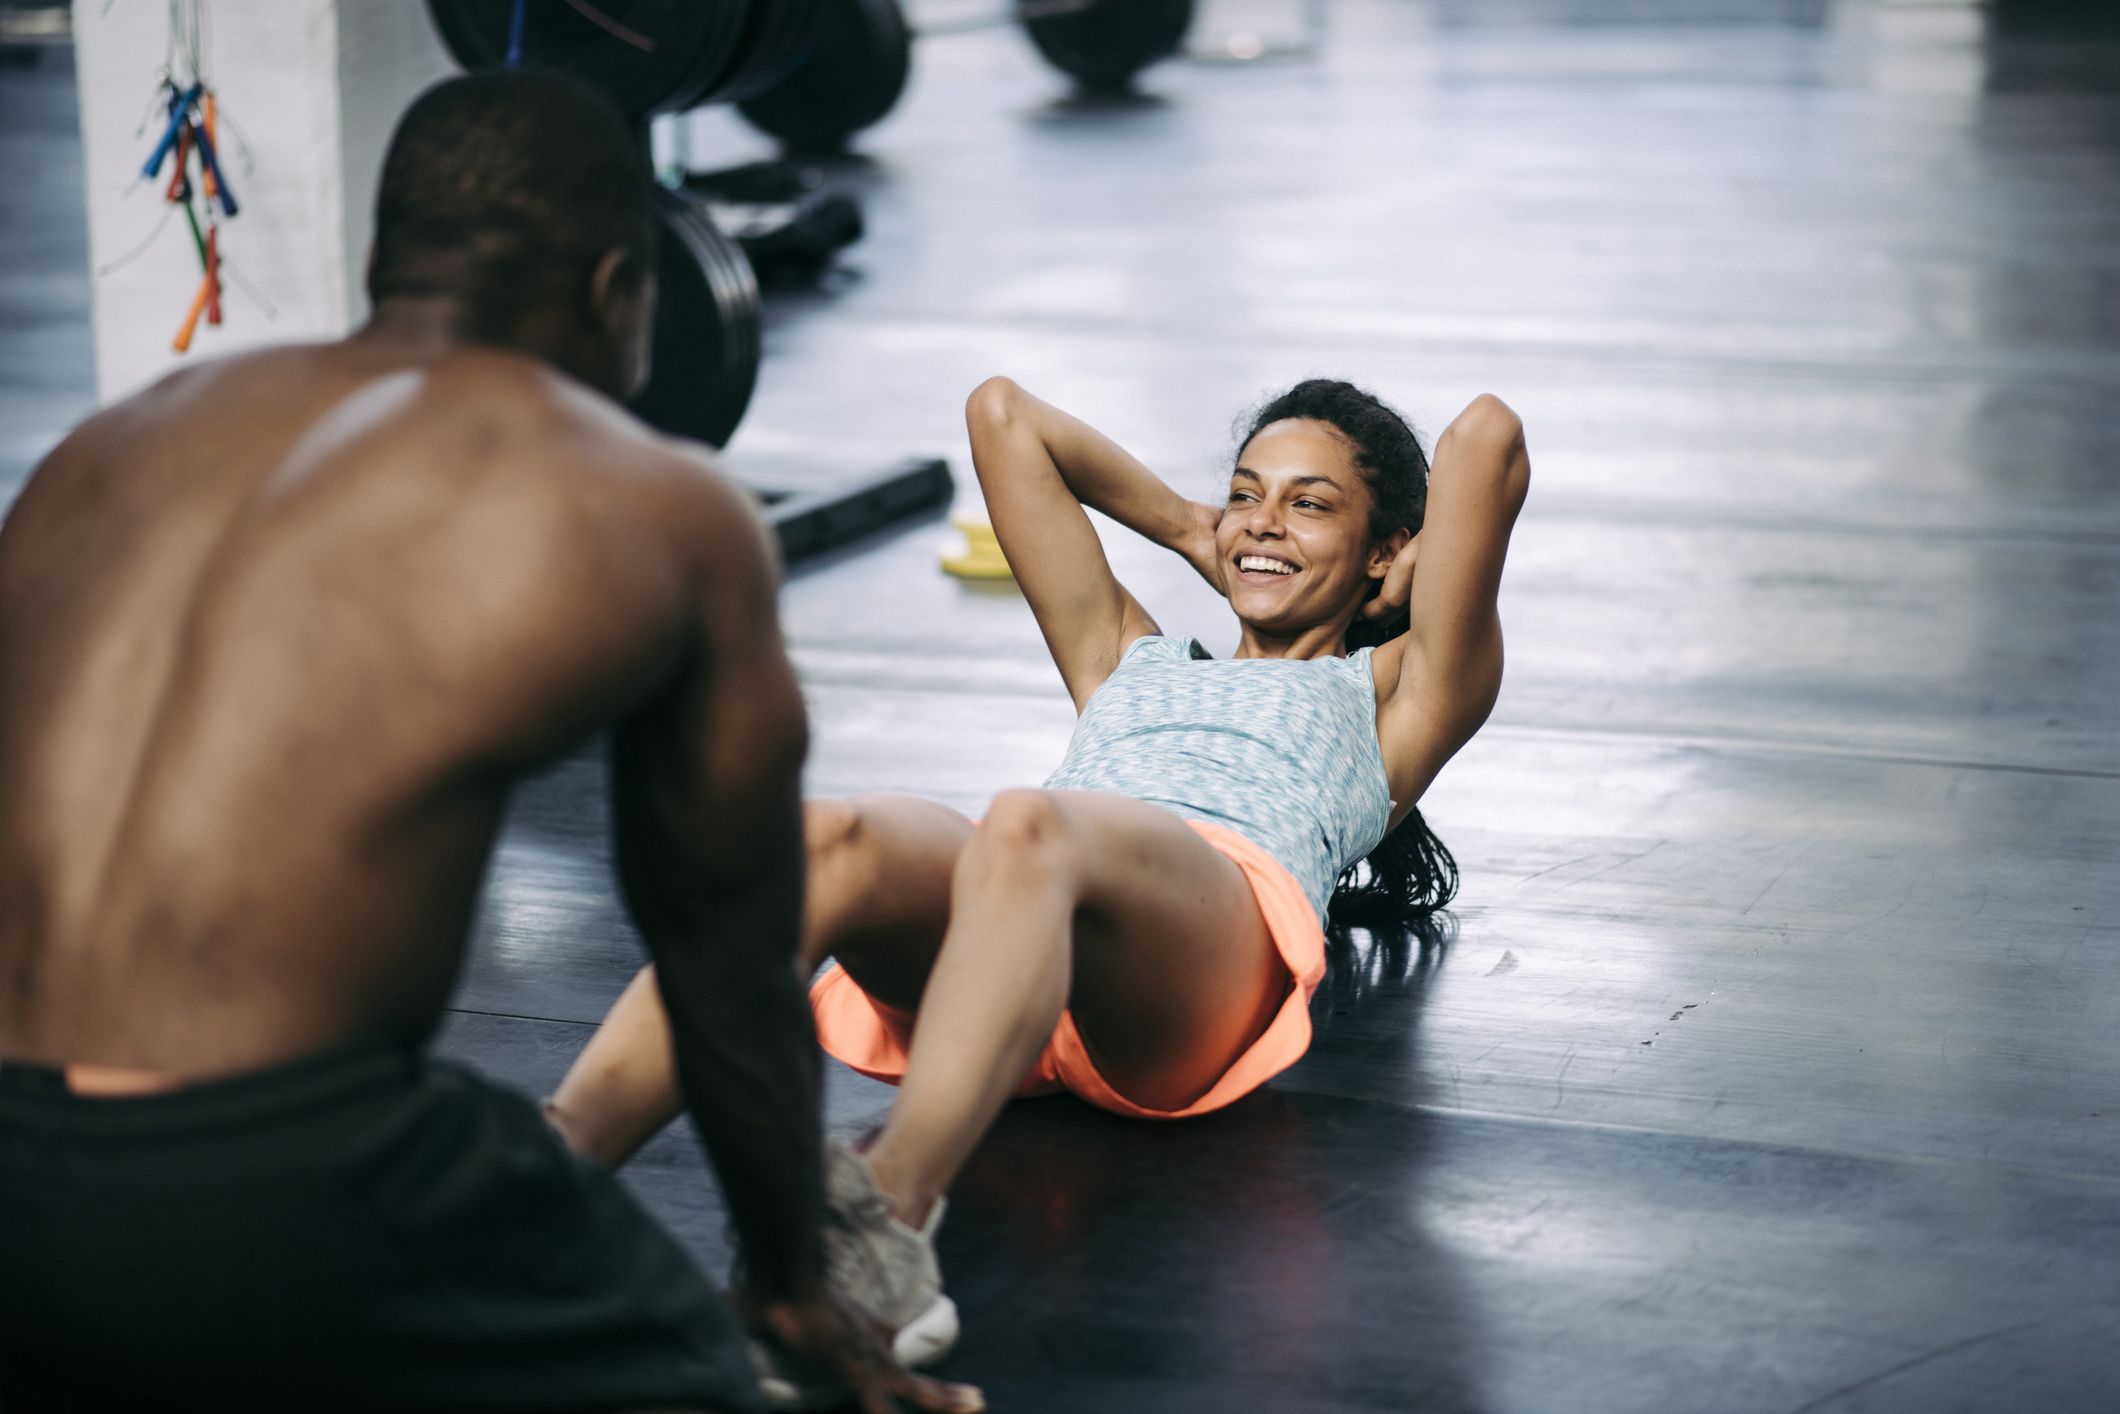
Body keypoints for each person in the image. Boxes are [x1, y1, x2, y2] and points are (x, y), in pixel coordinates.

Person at [0, 70, 977, 1414]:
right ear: (617, 291)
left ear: (376, 263)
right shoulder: (657, 507)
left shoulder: (101, 454)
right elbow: (728, 969)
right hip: (274, 1174)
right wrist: (798, 1287)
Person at [542, 373, 1532, 1399]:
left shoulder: (1396, 696)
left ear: (1383, 549)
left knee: (1025, 822)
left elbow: (1484, 439)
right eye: (1246, 492)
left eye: (1309, 503)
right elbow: (1002, 415)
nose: (1262, 523)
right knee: (825, 836)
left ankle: (878, 1231)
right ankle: (544, 1173)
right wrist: (1194, 529)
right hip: (1017, 930)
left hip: (1201, 953)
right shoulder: (1126, 655)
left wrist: (1410, 569)